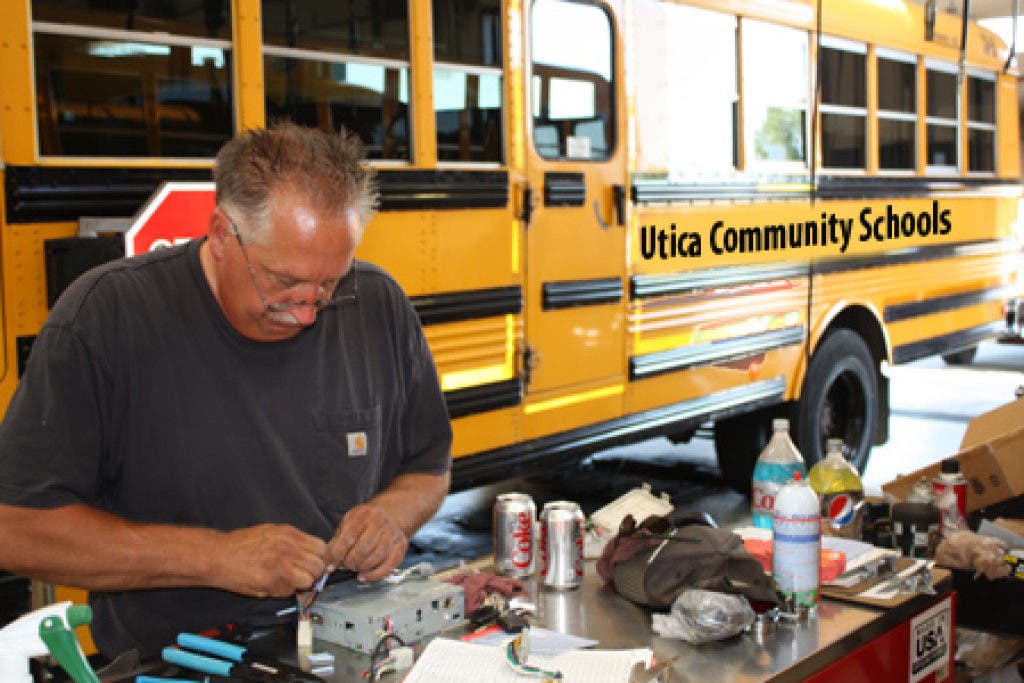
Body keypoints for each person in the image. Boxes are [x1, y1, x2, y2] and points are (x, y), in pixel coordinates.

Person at [0, 122, 452, 658]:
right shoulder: (108, 318)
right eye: (283, 283)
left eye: (329, 284)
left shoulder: (378, 304)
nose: (307, 313)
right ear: (220, 235)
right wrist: (216, 558)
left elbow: (428, 469)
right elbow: (16, 528)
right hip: (175, 661)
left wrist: (390, 516)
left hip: (349, 650)